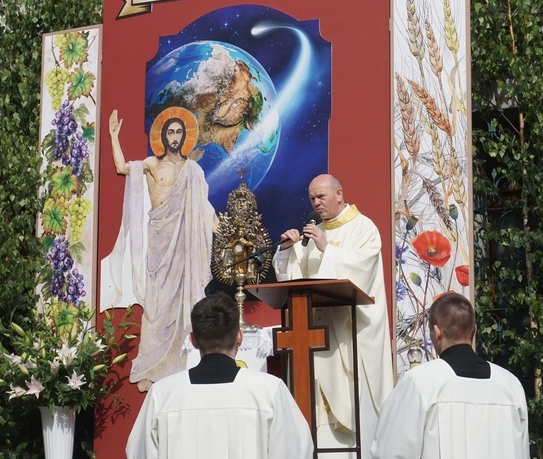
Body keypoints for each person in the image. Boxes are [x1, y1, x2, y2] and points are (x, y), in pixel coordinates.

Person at [273, 173, 393, 455]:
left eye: (321, 196)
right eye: (312, 198)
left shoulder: (364, 228)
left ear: (339, 194)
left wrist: (328, 249)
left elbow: (363, 269)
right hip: (315, 338)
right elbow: (295, 279)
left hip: (350, 337)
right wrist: (286, 251)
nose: (316, 203)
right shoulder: (311, 233)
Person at [100, 107, 216, 392]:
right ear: (163, 136)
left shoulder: (193, 170)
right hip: (159, 239)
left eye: (179, 132)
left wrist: (224, 230)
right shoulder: (152, 164)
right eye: (170, 132)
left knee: (182, 304)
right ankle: (153, 366)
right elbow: (122, 168)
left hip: (184, 244)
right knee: (156, 305)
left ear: (185, 136)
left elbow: (204, 210)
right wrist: (114, 136)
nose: (175, 137)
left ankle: (181, 363)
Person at [125, 292, 314, 459]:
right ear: (240, 337)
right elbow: (296, 450)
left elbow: (139, 453)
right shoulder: (270, 391)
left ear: (193, 340)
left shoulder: (162, 395)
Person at [370, 292, 530, 459]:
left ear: (437, 332)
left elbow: (390, 452)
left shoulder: (419, 383)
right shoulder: (511, 386)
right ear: (473, 331)